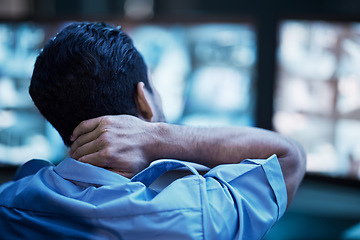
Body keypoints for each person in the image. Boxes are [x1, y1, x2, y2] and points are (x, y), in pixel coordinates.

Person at [0, 22, 306, 240]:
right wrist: (157, 137)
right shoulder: (195, 215)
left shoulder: (10, 203)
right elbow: (288, 156)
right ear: (144, 100)